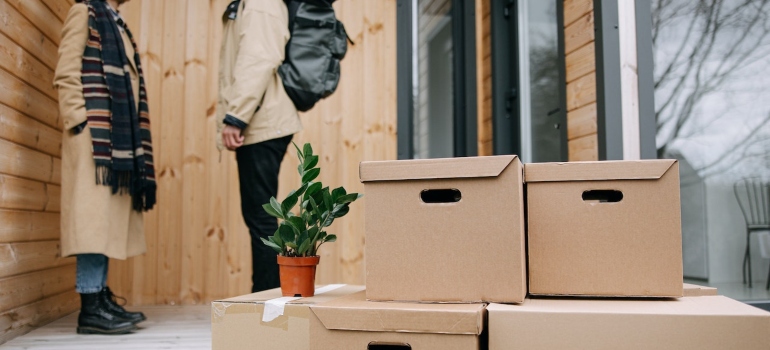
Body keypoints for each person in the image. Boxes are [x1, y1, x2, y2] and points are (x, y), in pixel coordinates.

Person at [54, 0, 155, 334]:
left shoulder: (116, 21)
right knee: (92, 222)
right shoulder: (84, 12)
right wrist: (79, 122)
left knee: (103, 221)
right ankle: (91, 306)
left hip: (113, 141)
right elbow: (66, 71)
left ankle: (99, 296)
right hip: (93, 138)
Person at [218, 0, 302, 293]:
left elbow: (259, 59)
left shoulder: (261, 3)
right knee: (260, 218)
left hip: (262, 124)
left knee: (261, 220)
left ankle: (265, 299)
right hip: (262, 123)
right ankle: (266, 296)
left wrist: (236, 116)